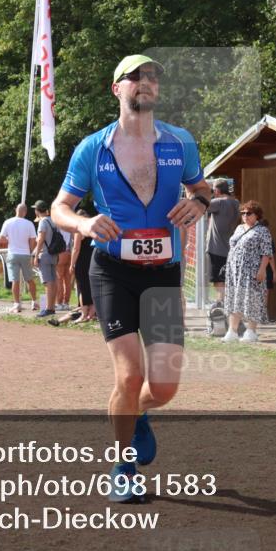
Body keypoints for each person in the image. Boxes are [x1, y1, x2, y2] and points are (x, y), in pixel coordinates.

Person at [50, 53, 210, 502]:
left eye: (152, 77)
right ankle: (123, 467)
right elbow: (60, 207)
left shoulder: (180, 142)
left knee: (163, 386)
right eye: (135, 77)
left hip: (162, 275)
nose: (146, 83)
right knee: (128, 373)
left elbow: (202, 189)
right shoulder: (92, 148)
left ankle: (136, 414)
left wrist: (198, 204)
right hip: (112, 272)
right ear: (116, 88)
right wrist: (82, 223)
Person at [222, 201, 274, 343]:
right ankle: (232, 331)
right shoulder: (239, 228)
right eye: (243, 213)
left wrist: (262, 270)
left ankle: (251, 331)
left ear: (256, 215)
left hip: (252, 270)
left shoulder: (262, 231)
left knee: (252, 299)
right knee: (234, 298)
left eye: (248, 213)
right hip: (235, 271)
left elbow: (266, 253)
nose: (245, 216)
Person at [206, 178, 240, 307]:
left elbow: (201, 204)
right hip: (231, 248)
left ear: (217, 190)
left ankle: (222, 304)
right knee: (226, 278)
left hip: (217, 249)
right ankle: (224, 302)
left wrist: (205, 192)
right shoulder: (236, 202)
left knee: (218, 280)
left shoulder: (218, 202)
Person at [0, 204, 39, 312]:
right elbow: (33, 240)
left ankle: (17, 304)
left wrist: (10, 240)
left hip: (12, 253)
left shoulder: (7, 222)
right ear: (25, 212)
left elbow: (1, 239)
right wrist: (31, 252)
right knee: (30, 279)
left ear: (15, 210)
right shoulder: (29, 223)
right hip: (25, 254)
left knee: (15, 280)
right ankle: (34, 302)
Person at [31, 200, 61, 317]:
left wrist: (36, 255)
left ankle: (48, 308)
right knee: (53, 282)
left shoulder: (43, 222)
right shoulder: (53, 221)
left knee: (48, 282)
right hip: (54, 254)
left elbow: (41, 239)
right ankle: (52, 307)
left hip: (45, 254)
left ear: (37, 211)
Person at [70, 208, 96, 323]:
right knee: (92, 287)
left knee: (82, 287)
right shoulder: (93, 228)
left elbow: (76, 248)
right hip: (93, 260)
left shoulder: (79, 229)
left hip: (82, 260)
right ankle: (91, 314)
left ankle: (84, 315)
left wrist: (72, 264)